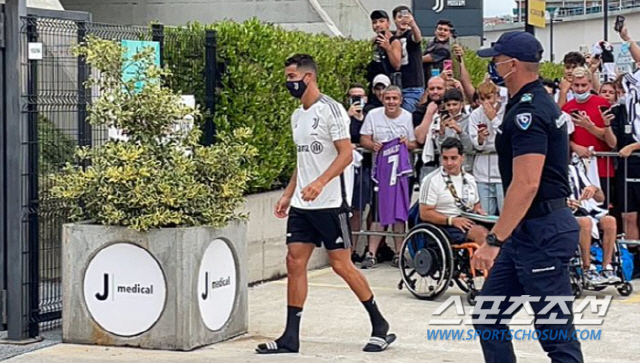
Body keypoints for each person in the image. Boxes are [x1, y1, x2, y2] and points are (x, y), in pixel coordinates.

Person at [256, 54, 395, 354]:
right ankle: (290, 338)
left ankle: (380, 325)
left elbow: (345, 154)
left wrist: (320, 182)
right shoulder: (297, 116)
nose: (288, 83)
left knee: (341, 265)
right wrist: (288, 193)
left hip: (331, 202)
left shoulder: (331, 110)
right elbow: (302, 159)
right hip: (302, 206)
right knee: (294, 263)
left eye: (292, 77)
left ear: (308, 77)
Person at [473, 31, 584, 363]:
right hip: (527, 231)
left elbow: (526, 183)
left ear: (513, 64)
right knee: (488, 316)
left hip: (543, 231)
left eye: (496, 59)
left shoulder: (529, 112)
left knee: (555, 335)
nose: (493, 65)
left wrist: (494, 240)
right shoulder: (525, 104)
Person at [359, 85, 418, 269]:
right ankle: (371, 253)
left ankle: (399, 254)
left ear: (400, 100)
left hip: (401, 174)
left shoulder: (408, 117)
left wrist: (406, 144)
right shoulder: (373, 115)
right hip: (381, 174)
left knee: (400, 213)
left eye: (395, 98)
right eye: (388, 98)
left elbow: (416, 142)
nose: (391, 102)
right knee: (378, 213)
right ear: (383, 99)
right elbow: (363, 139)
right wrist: (372, 145)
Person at [561, 66, 616, 206]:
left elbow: (610, 139)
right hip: (577, 167)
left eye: (584, 85)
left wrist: (589, 126)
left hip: (602, 164)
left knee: (604, 208)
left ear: (590, 84)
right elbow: (562, 136)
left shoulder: (601, 104)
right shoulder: (567, 107)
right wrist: (575, 146)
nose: (580, 89)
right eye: (576, 85)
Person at [419, 138, 488, 244]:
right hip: (443, 226)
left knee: (500, 231)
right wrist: (451, 221)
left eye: (453, 158)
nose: (449, 163)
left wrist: (478, 211)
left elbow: (476, 205)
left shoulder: (470, 179)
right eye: (445, 158)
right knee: (482, 235)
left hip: (466, 220)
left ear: (462, 158)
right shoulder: (431, 180)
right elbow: (425, 213)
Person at [567, 158, 620, 286]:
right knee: (585, 222)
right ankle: (587, 268)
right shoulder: (548, 172)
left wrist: (594, 189)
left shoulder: (574, 170)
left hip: (583, 209)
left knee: (610, 221)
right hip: (563, 211)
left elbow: (601, 198)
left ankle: (607, 267)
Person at [468, 80, 505, 215]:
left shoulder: (506, 111)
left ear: (496, 96)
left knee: (504, 213)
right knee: (485, 214)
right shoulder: (475, 114)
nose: (486, 103)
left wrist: (494, 119)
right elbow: (475, 143)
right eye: (482, 99)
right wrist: (480, 139)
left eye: (489, 98)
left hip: (501, 172)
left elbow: (506, 137)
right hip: (482, 172)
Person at [346, 83, 373, 262]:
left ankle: (372, 249)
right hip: (351, 168)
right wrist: (348, 117)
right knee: (354, 210)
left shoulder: (370, 117)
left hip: (370, 166)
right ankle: (352, 250)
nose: (357, 100)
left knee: (371, 209)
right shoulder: (343, 118)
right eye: (353, 97)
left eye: (360, 97)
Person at [391, 5, 424, 112]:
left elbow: (418, 37)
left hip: (413, 87)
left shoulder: (410, 35)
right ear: (394, 20)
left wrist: (413, 24)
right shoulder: (392, 37)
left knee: (406, 116)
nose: (404, 20)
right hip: (396, 87)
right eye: (400, 17)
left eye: (407, 17)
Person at [367, 10, 401, 84]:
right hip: (373, 82)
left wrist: (388, 48)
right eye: (374, 22)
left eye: (381, 21)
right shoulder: (373, 41)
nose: (378, 25)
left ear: (388, 23)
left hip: (388, 82)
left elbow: (397, 65)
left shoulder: (394, 41)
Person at [422, 19, 453, 85]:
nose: (442, 32)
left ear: (450, 34)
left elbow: (423, 59)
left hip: (439, 81)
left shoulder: (444, 48)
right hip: (426, 78)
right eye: (440, 29)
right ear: (435, 31)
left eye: (445, 30)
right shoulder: (431, 43)